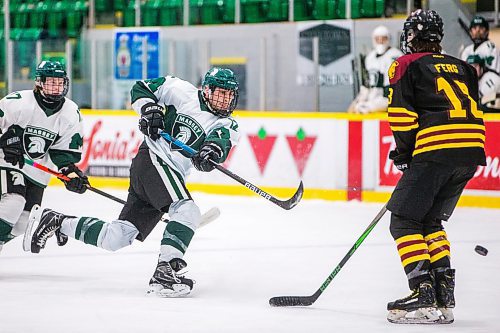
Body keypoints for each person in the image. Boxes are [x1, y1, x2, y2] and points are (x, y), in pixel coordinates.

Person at [26, 67, 240, 298]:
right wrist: (149, 111)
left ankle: (58, 221)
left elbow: (220, 142)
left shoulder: (228, 124)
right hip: (153, 159)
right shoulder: (180, 90)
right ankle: (165, 270)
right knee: (186, 209)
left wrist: (210, 153)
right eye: (221, 93)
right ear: (206, 90)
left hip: (168, 175)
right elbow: (142, 88)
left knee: (116, 237)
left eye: (230, 95)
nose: (225, 100)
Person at [386, 10, 486, 324]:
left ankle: (421, 293)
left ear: (412, 35)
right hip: (470, 151)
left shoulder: (404, 64)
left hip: (437, 149)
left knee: (403, 221)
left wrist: (404, 153)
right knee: (429, 220)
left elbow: (402, 116)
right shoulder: (464, 66)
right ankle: (444, 291)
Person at [0, 60, 88, 254]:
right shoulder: (18, 102)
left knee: (25, 220)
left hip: (37, 171)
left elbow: (63, 152)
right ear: (39, 82)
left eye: (60, 82)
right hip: (8, 162)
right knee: (13, 202)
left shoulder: (71, 112)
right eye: (51, 82)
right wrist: (5, 140)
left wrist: (71, 173)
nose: (56, 87)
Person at [348, 25, 403, 114]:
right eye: (378, 39)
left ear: (388, 39)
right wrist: (359, 100)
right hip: (372, 97)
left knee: (363, 109)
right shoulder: (370, 57)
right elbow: (367, 84)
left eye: (383, 38)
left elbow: (392, 87)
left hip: (387, 98)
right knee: (354, 108)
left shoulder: (396, 56)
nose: (380, 41)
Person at [461, 16, 500, 110]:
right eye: (475, 28)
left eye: (481, 28)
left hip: (490, 84)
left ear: (487, 31)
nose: (478, 31)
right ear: (470, 32)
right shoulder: (467, 49)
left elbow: (490, 70)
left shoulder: (489, 46)